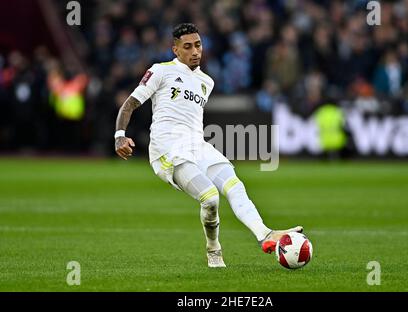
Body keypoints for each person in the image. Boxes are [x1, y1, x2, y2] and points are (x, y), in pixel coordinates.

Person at [114, 23, 302, 268]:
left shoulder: (206, 82)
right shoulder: (160, 71)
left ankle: (264, 235)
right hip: (167, 149)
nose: (195, 51)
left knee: (235, 185)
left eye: (198, 45)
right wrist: (120, 135)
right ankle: (214, 249)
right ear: (176, 50)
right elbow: (129, 104)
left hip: (197, 145)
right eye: (188, 46)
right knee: (210, 198)